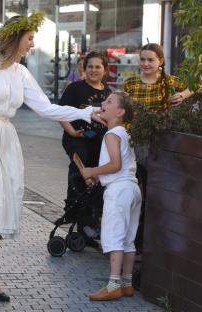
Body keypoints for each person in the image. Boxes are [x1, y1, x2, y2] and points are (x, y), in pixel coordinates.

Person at [0, 11, 103, 302]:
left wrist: (87, 112)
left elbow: (46, 109)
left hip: (5, 140)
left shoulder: (20, 71)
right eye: (29, 38)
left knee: (4, 207)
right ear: (15, 37)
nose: (32, 44)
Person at [79, 91, 141, 301]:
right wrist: (98, 177)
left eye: (109, 101)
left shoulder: (111, 134)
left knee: (114, 236)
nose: (103, 103)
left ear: (120, 112)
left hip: (119, 190)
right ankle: (127, 283)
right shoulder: (124, 133)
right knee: (128, 239)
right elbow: (120, 165)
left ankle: (113, 284)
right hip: (132, 188)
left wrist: (91, 171)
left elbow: (115, 164)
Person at [59, 51, 110, 239]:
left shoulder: (108, 92)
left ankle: (90, 219)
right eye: (90, 67)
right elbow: (60, 112)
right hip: (77, 138)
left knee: (97, 178)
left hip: (99, 141)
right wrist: (71, 131)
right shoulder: (75, 88)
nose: (94, 70)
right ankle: (76, 214)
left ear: (105, 70)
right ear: (84, 68)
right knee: (80, 170)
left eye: (98, 67)